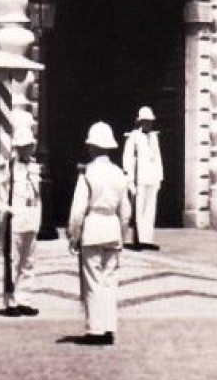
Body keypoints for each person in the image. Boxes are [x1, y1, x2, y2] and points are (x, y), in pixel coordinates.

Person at [68, 122, 130, 345]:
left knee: (92, 280)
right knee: (110, 281)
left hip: (93, 227)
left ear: (93, 147)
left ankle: (95, 329)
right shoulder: (119, 173)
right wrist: (122, 234)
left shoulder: (88, 173)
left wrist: (73, 234)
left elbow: (78, 209)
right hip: (112, 227)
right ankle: (109, 326)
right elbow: (126, 212)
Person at [0, 112, 43, 317]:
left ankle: (24, 299)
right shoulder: (7, 167)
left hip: (31, 220)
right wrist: (3, 208)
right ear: (17, 148)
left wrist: (38, 217)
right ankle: (11, 302)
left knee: (29, 262)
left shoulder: (35, 167)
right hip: (14, 220)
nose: (28, 149)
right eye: (24, 146)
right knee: (12, 262)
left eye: (30, 146)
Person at [122, 107, 163, 251]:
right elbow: (128, 159)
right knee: (138, 210)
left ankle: (147, 239)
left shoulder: (154, 137)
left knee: (150, 210)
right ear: (140, 122)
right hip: (139, 179)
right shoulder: (133, 137)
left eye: (150, 122)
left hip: (151, 178)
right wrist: (129, 180)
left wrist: (159, 178)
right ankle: (137, 239)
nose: (148, 124)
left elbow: (158, 158)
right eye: (146, 121)